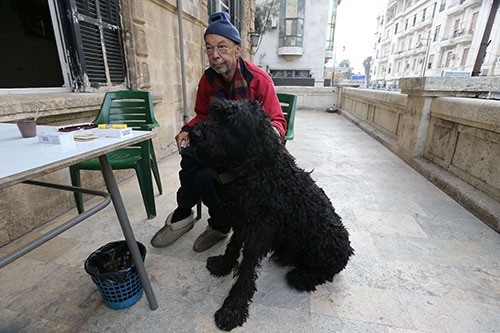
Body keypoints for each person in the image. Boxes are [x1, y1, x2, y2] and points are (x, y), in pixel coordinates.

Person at [151, 12, 286, 252]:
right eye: (209, 48)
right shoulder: (208, 79)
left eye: (222, 47)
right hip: (220, 148)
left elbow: (277, 121)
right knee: (192, 158)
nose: (215, 55)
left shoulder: (258, 80)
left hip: (247, 155)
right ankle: (194, 217)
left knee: (202, 173)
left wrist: (266, 141)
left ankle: (205, 221)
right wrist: (187, 129)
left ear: (237, 49)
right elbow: (203, 114)